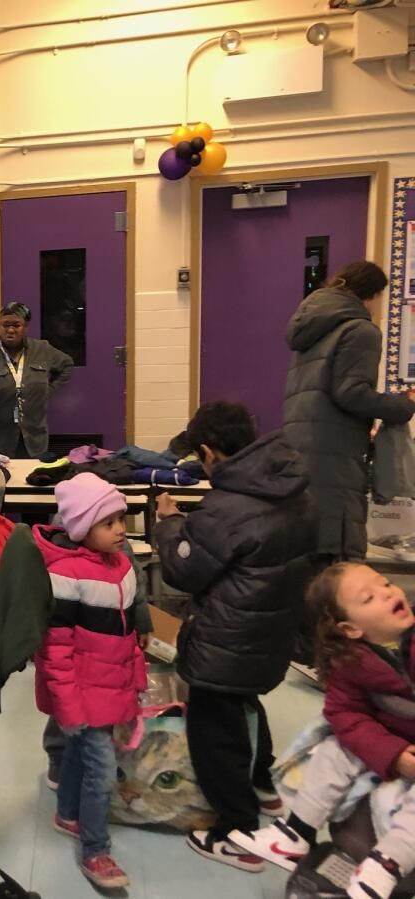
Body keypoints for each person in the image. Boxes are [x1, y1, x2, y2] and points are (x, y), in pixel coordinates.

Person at [154, 401, 317, 872]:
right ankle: (263, 786)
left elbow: (183, 570)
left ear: (209, 452)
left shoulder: (226, 507)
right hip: (272, 629)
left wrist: (169, 524)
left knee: (214, 730)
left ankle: (237, 833)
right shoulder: (291, 484)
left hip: (228, 638)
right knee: (244, 703)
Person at [231, 563, 415, 899]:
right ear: (351, 629)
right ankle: (295, 833)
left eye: (386, 583)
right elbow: (345, 714)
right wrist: (393, 754)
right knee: (333, 747)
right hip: (393, 744)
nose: (388, 592)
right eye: (369, 597)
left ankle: (387, 865)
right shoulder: (349, 660)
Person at [33, 473, 145, 890]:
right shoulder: (66, 575)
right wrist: (68, 705)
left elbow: (128, 636)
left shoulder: (123, 567)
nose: (120, 530)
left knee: (80, 756)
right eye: (108, 523)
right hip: (82, 694)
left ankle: (67, 815)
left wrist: (136, 678)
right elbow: (55, 650)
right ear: (82, 528)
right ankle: (96, 850)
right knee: (102, 771)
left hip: (111, 687)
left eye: (121, 519)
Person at [284, 261, 415, 563]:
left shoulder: (312, 328)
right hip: (336, 457)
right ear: (373, 294)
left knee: (308, 553)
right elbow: (351, 393)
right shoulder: (361, 330)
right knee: (339, 558)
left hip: (301, 451)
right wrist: (403, 406)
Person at [0, 302, 74, 459]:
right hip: (0, 438)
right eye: (5, 325)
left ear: (26, 327)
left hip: (34, 437)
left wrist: (49, 389)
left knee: (33, 473)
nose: (10, 330)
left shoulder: (42, 349)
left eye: (16, 325)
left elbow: (67, 365)